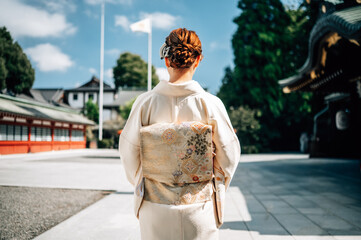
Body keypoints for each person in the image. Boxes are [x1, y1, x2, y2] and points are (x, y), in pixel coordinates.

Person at [119, 28, 240, 240]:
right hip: (199, 209)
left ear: (167, 60)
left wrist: (152, 182)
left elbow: (129, 155)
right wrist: (209, 185)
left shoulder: (144, 103)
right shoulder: (211, 104)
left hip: (155, 207)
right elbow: (229, 158)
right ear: (198, 59)